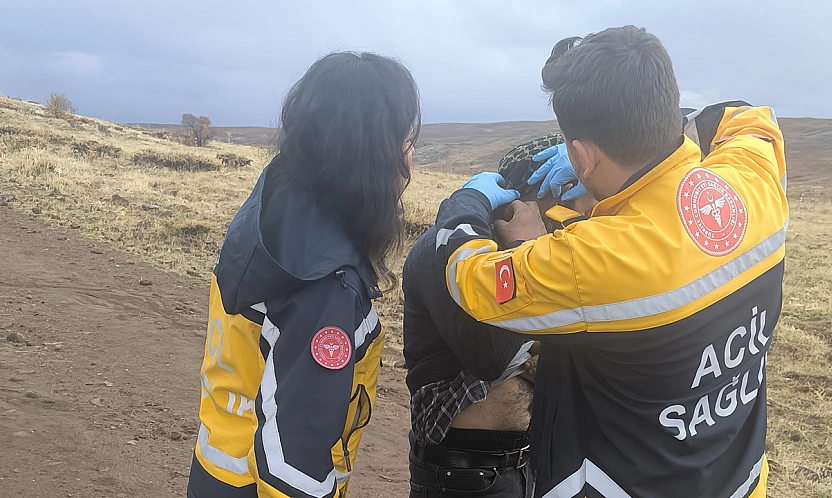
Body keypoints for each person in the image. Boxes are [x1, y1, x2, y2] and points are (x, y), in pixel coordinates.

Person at [432, 26, 787, 497]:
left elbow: (471, 280)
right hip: (736, 481)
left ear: (581, 156)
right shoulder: (751, 183)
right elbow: (745, 116)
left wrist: (466, 205)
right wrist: (646, 121)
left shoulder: (598, 258)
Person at [186, 52, 421, 498]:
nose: (409, 160)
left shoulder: (270, 214)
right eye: (406, 142)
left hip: (216, 474)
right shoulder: (327, 284)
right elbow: (293, 467)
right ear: (372, 151)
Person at [404, 133, 593, 498]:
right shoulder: (443, 255)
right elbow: (495, 354)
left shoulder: (547, 253)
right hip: (461, 475)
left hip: (525, 465)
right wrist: (527, 248)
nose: (583, 206)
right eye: (571, 189)